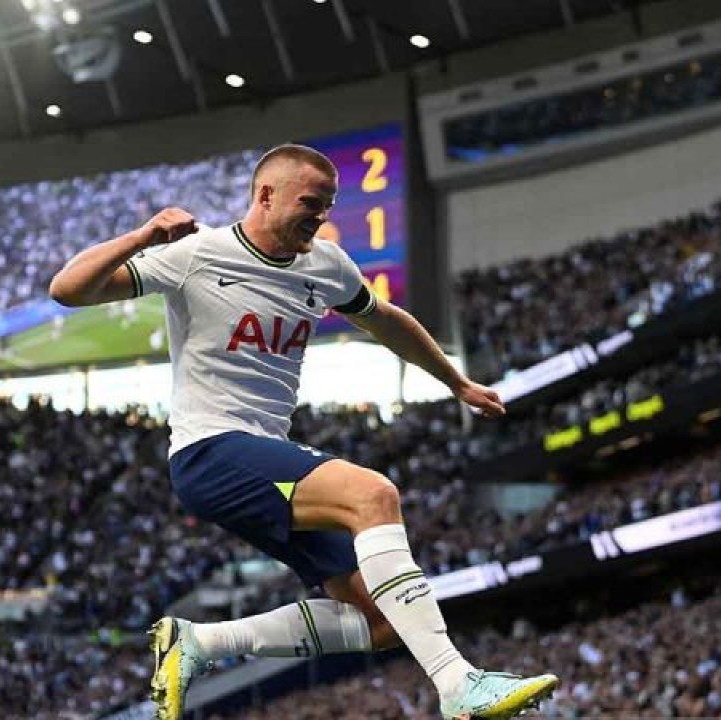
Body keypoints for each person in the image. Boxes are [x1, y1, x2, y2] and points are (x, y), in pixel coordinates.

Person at [49, 144, 558, 719]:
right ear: (265, 195)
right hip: (209, 451)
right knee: (374, 494)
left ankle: (200, 643)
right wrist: (144, 235)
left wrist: (456, 382)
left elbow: (385, 320)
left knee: (379, 620)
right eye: (311, 204)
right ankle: (458, 684)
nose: (320, 217)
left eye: (328, 207)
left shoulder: (327, 264)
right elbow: (68, 290)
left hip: (264, 452)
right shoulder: (197, 255)